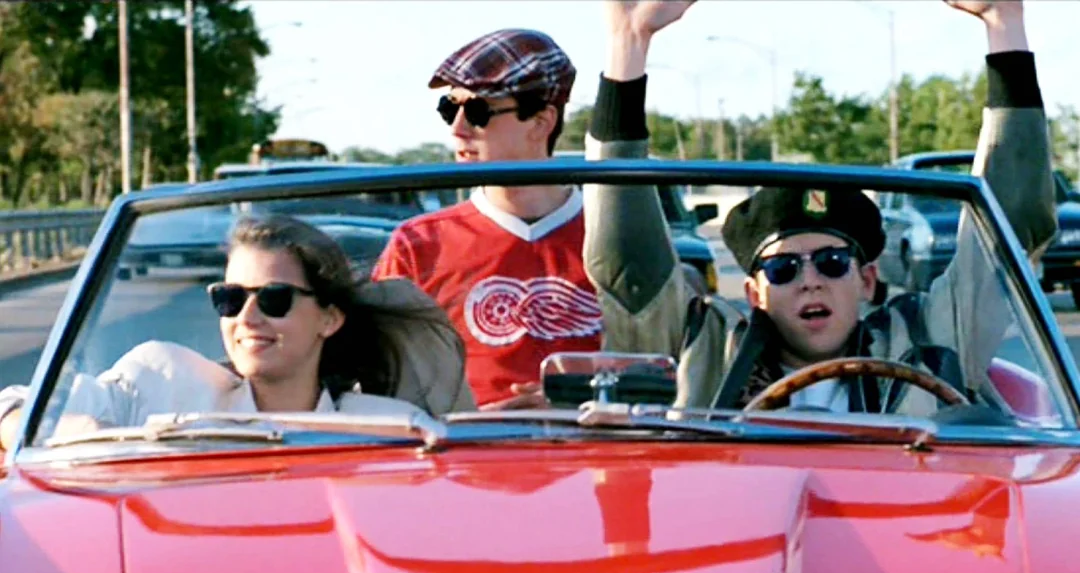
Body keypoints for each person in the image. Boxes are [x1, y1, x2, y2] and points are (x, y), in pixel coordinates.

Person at [582, 0, 1056, 416]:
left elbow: (1008, 230)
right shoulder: (708, 352)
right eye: (783, 269)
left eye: (832, 263)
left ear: (867, 280)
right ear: (753, 294)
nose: (810, 280)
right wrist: (629, 43)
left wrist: (1004, 21)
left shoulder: (925, 340)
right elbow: (628, 262)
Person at [0, 214, 475, 451]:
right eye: (228, 297)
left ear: (330, 319)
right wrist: (83, 431)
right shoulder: (162, 381)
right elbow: (13, 404)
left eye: (274, 298)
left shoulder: (386, 426)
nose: (246, 317)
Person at [371, 28, 600, 410]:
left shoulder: (613, 239)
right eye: (449, 108)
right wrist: (472, 419)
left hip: (606, 455)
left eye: (478, 111)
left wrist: (579, 403)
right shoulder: (418, 244)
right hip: (462, 457)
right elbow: (379, 382)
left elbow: (664, 364)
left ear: (541, 123)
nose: (457, 128)